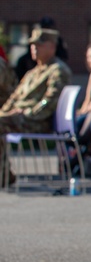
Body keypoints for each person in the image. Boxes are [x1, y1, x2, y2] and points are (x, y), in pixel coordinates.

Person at [0, 29, 71, 183]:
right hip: (18, 118)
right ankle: (4, 174)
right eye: (32, 45)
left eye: (39, 45)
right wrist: (6, 112)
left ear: (52, 47)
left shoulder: (58, 70)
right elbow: (14, 97)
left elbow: (51, 100)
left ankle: (3, 175)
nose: (34, 48)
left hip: (38, 121)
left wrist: (28, 113)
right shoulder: (32, 72)